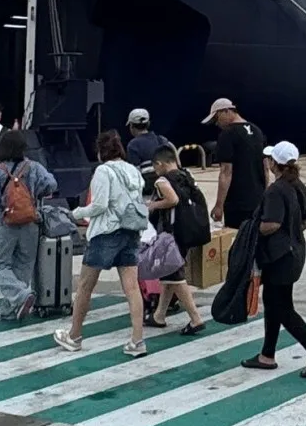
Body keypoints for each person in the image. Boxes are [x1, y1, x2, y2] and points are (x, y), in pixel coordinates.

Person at [243, 143, 306, 378]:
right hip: (294, 254)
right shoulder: (298, 185)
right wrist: (292, 232)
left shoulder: (276, 190)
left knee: (281, 307)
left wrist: (251, 230)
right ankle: (267, 355)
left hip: (279, 257)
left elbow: (272, 224)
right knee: (274, 301)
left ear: (274, 163)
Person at [55, 131, 149, 357]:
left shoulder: (103, 171)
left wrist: (76, 213)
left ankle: (74, 335)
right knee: (132, 287)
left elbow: (100, 205)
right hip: (131, 231)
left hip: (106, 232)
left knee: (85, 286)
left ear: (100, 152)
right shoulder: (133, 170)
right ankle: (137, 340)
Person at [0, 134, 57, 322]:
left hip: (6, 223)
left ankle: (20, 296)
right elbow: (51, 184)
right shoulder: (34, 167)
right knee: (23, 265)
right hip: (31, 222)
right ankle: (9, 311)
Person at [145, 148, 208, 335]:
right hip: (188, 231)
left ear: (160, 164)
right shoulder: (187, 176)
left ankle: (195, 319)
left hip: (171, 234)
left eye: (156, 167)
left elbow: (172, 200)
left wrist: (153, 205)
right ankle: (159, 315)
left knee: (174, 275)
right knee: (169, 274)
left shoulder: (162, 181)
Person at [203, 97, 266, 229]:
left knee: (239, 238)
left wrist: (219, 205)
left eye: (216, 118)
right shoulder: (257, 131)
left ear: (226, 111)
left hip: (237, 203)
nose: (216, 124)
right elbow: (265, 168)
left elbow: (226, 173)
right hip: (258, 200)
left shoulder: (227, 135)